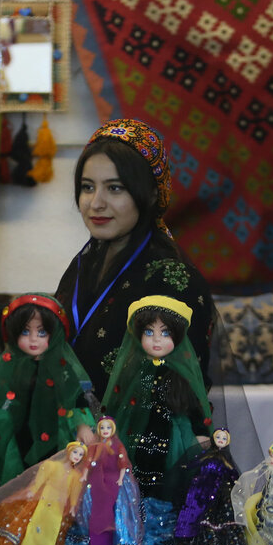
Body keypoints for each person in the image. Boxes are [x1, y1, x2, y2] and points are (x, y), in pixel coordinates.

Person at [55, 118, 214, 398]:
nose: (96, 203)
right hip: (71, 433)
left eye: (115, 188)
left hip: (132, 438)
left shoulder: (172, 280)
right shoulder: (83, 265)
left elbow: (178, 391)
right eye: (88, 187)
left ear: (152, 194)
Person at [103, 295, 212, 545]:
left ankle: (168, 535)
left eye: (165, 333)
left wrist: (200, 432)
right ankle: (135, 530)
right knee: (136, 479)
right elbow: (118, 402)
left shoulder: (180, 374)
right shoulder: (135, 372)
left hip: (174, 437)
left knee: (172, 482)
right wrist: (109, 428)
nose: (156, 340)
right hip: (136, 437)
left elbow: (194, 407)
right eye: (149, 332)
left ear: (176, 338)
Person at [0, 293, 96, 484]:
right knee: (13, 470)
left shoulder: (61, 366)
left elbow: (75, 395)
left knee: (52, 471)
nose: (33, 340)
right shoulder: (8, 365)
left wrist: (82, 424)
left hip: (54, 429)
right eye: (25, 332)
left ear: (54, 335)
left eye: (41, 332)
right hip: (16, 429)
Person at [65, 416, 149, 545]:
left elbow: (123, 462)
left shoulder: (117, 445)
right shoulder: (95, 446)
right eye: (102, 428)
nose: (105, 431)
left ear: (112, 430)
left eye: (108, 428)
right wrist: (84, 474)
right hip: (96, 483)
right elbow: (89, 461)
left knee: (119, 517)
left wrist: (121, 479)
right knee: (96, 517)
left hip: (115, 484)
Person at [163, 428, 247, 545]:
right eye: (218, 437)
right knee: (190, 520)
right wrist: (185, 467)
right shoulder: (207, 455)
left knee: (207, 524)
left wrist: (235, 481)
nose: (220, 440)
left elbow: (232, 472)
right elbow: (195, 462)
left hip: (213, 495)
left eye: (223, 438)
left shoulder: (225, 459)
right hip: (197, 492)